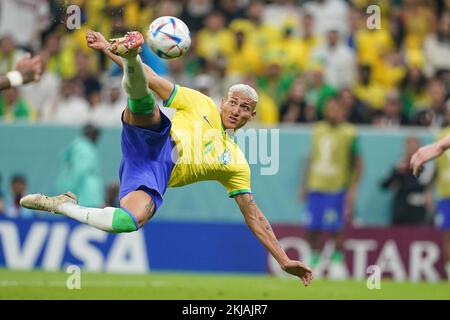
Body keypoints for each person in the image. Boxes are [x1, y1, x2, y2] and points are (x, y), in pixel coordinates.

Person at [20, 30, 313, 286]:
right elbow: (152, 79)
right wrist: (109, 51)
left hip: (153, 175)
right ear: (223, 102)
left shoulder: (235, 163)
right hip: (157, 140)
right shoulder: (200, 102)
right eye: (233, 102)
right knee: (145, 104)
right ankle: (133, 53)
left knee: (128, 222)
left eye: (245, 107)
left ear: (252, 115)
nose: (236, 110)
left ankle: (64, 205)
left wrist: (283, 258)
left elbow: (254, 216)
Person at [299, 96, 362, 278]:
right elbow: (311, 158)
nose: (331, 112)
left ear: (341, 110)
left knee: (336, 228)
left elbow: (357, 163)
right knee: (312, 228)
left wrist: (353, 188)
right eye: (328, 108)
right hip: (316, 186)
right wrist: (304, 185)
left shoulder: (349, 132)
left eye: (335, 108)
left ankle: (336, 263)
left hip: (336, 189)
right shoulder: (317, 130)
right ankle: (314, 262)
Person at [410, 129, 450, 279]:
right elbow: (437, 169)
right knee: (447, 235)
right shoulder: (442, 135)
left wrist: (439, 146)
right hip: (446, 194)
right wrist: (439, 145)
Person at [381, 136, 433, 225]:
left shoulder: (426, 165)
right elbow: (384, 184)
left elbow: (421, 185)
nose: (410, 148)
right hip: (399, 211)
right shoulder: (399, 163)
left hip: (417, 212)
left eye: (413, 145)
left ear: (419, 147)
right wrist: (396, 172)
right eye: (408, 145)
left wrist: (404, 174)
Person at [56, 124, 104, 208]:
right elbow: (79, 171)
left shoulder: (83, 146)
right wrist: (69, 192)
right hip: (85, 197)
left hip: (86, 196)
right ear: (88, 134)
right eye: (95, 134)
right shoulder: (84, 147)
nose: (97, 137)